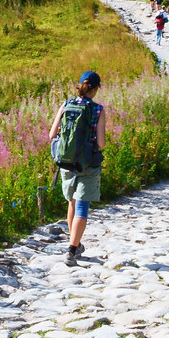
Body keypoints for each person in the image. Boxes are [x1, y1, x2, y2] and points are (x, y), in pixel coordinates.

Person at [49, 71, 107, 267]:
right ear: (96, 88)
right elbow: (101, 143)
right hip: (88, 164)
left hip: (67, 162)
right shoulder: (98, 110)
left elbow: (51, 134)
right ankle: (72, 250)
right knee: (82, 206)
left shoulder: (66, 105)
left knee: (72, 203)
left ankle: (74, 243)